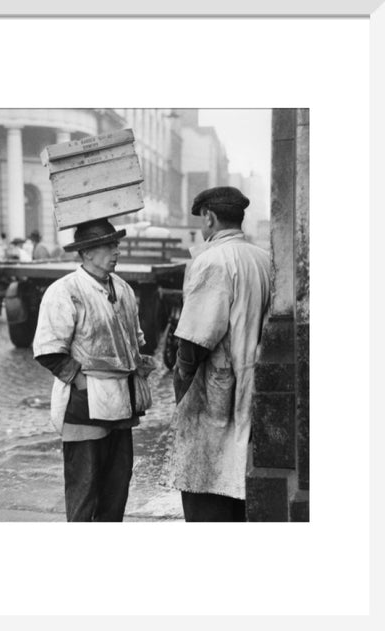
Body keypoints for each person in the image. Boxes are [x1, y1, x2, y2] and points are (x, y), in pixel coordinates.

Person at [33, 219, 155, 522]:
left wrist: (139, 361)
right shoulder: (65, 292)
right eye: (108, 245)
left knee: (116, 487)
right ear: (86, 252)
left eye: (116, 244)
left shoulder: (124, 290)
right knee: (85, 487)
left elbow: (134, 339)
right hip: (83, 405)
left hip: (122, 404)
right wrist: (82, 381)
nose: (116, 250)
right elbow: (48, 350)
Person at [160, 186, 270, 522]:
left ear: (208, 217)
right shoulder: (263, 258)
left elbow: (195, 338)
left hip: (216, 390)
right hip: (254, 381)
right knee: (239, 481)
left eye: (202, 220)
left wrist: (182, 387)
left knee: (206, 484)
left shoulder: (212, 260)